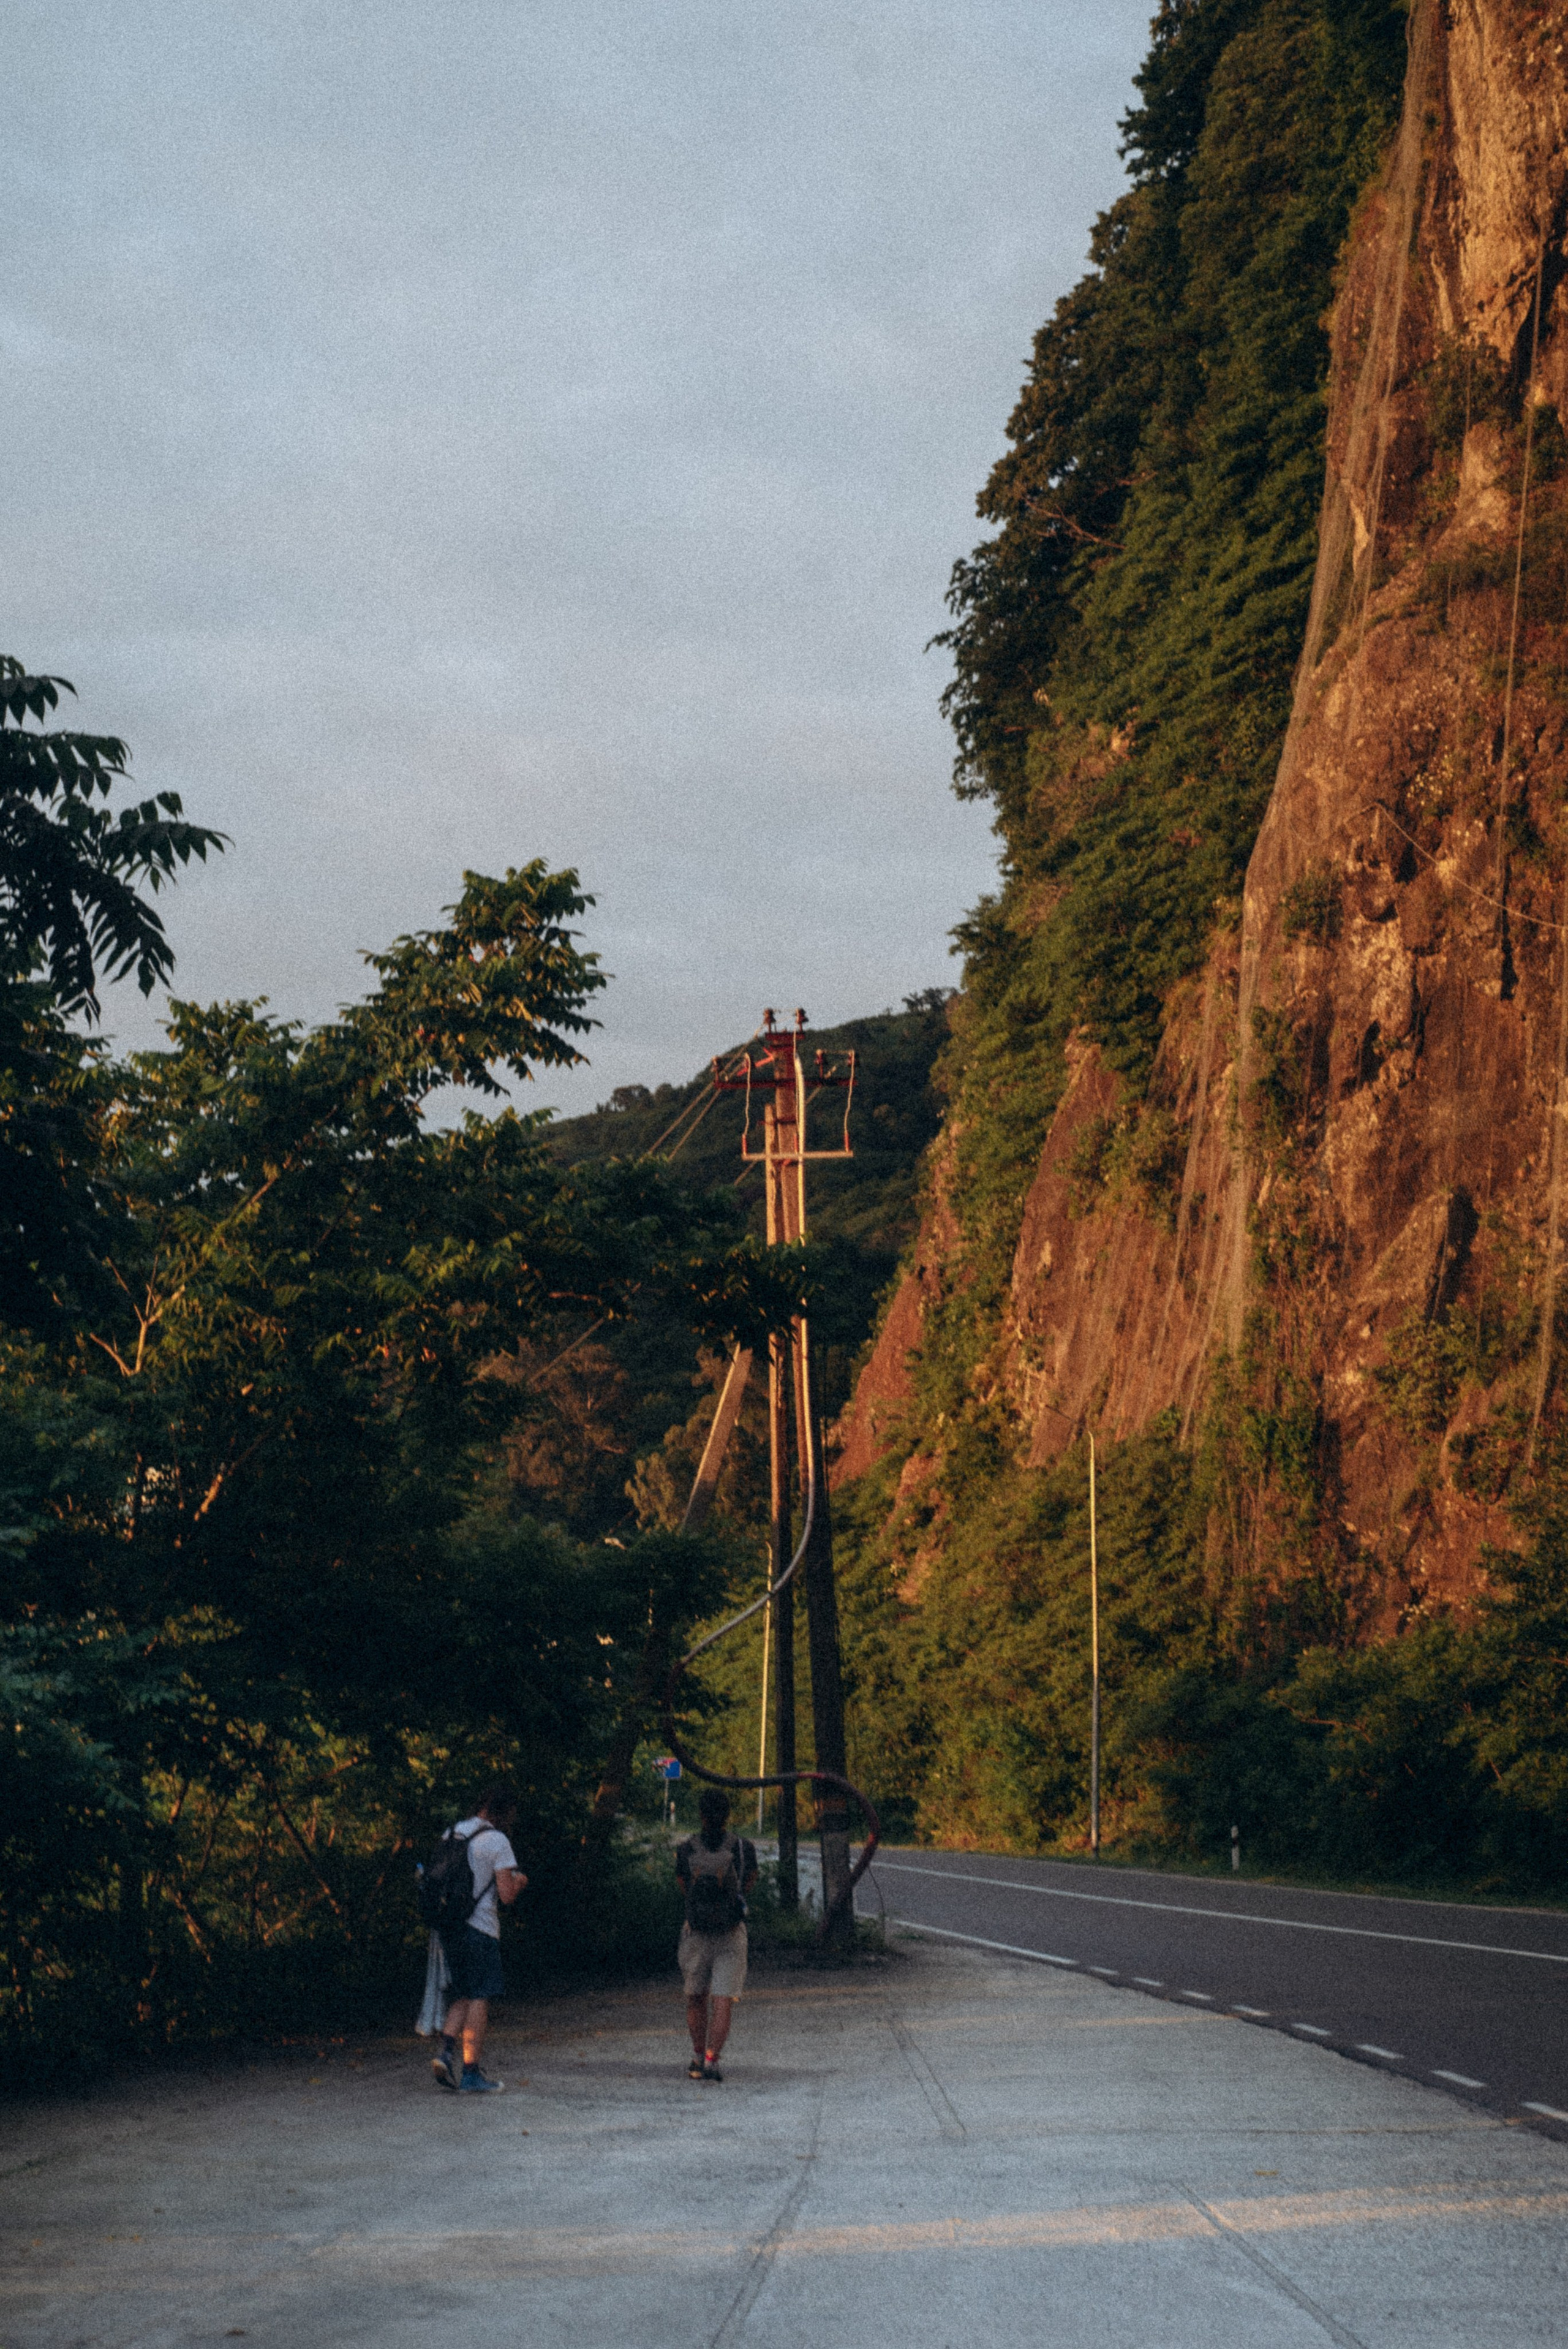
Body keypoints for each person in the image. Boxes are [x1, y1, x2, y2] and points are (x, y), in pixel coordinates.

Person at [431, 1783, 527, 2095]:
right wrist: (520, 1881)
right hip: (481, 1928)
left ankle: (445, 2053)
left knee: (463, 1992)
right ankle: (471, 2073)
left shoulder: (452, 1833)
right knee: (480, 1996)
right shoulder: (497, 1840)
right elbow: (507, 1895)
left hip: (450, 1926)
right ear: (503, 1812)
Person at [675, 1786, 758, 2082]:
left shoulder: (686, 1849)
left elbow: (684, 1887)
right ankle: (712, 2061)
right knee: (722, 2000)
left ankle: (696, 2057)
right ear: (728, 1815)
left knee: (695, 1997)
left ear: (701, 1815)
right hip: (731, 1931)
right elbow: (749, 1881)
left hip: (696, 1932)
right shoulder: (742, 1848)